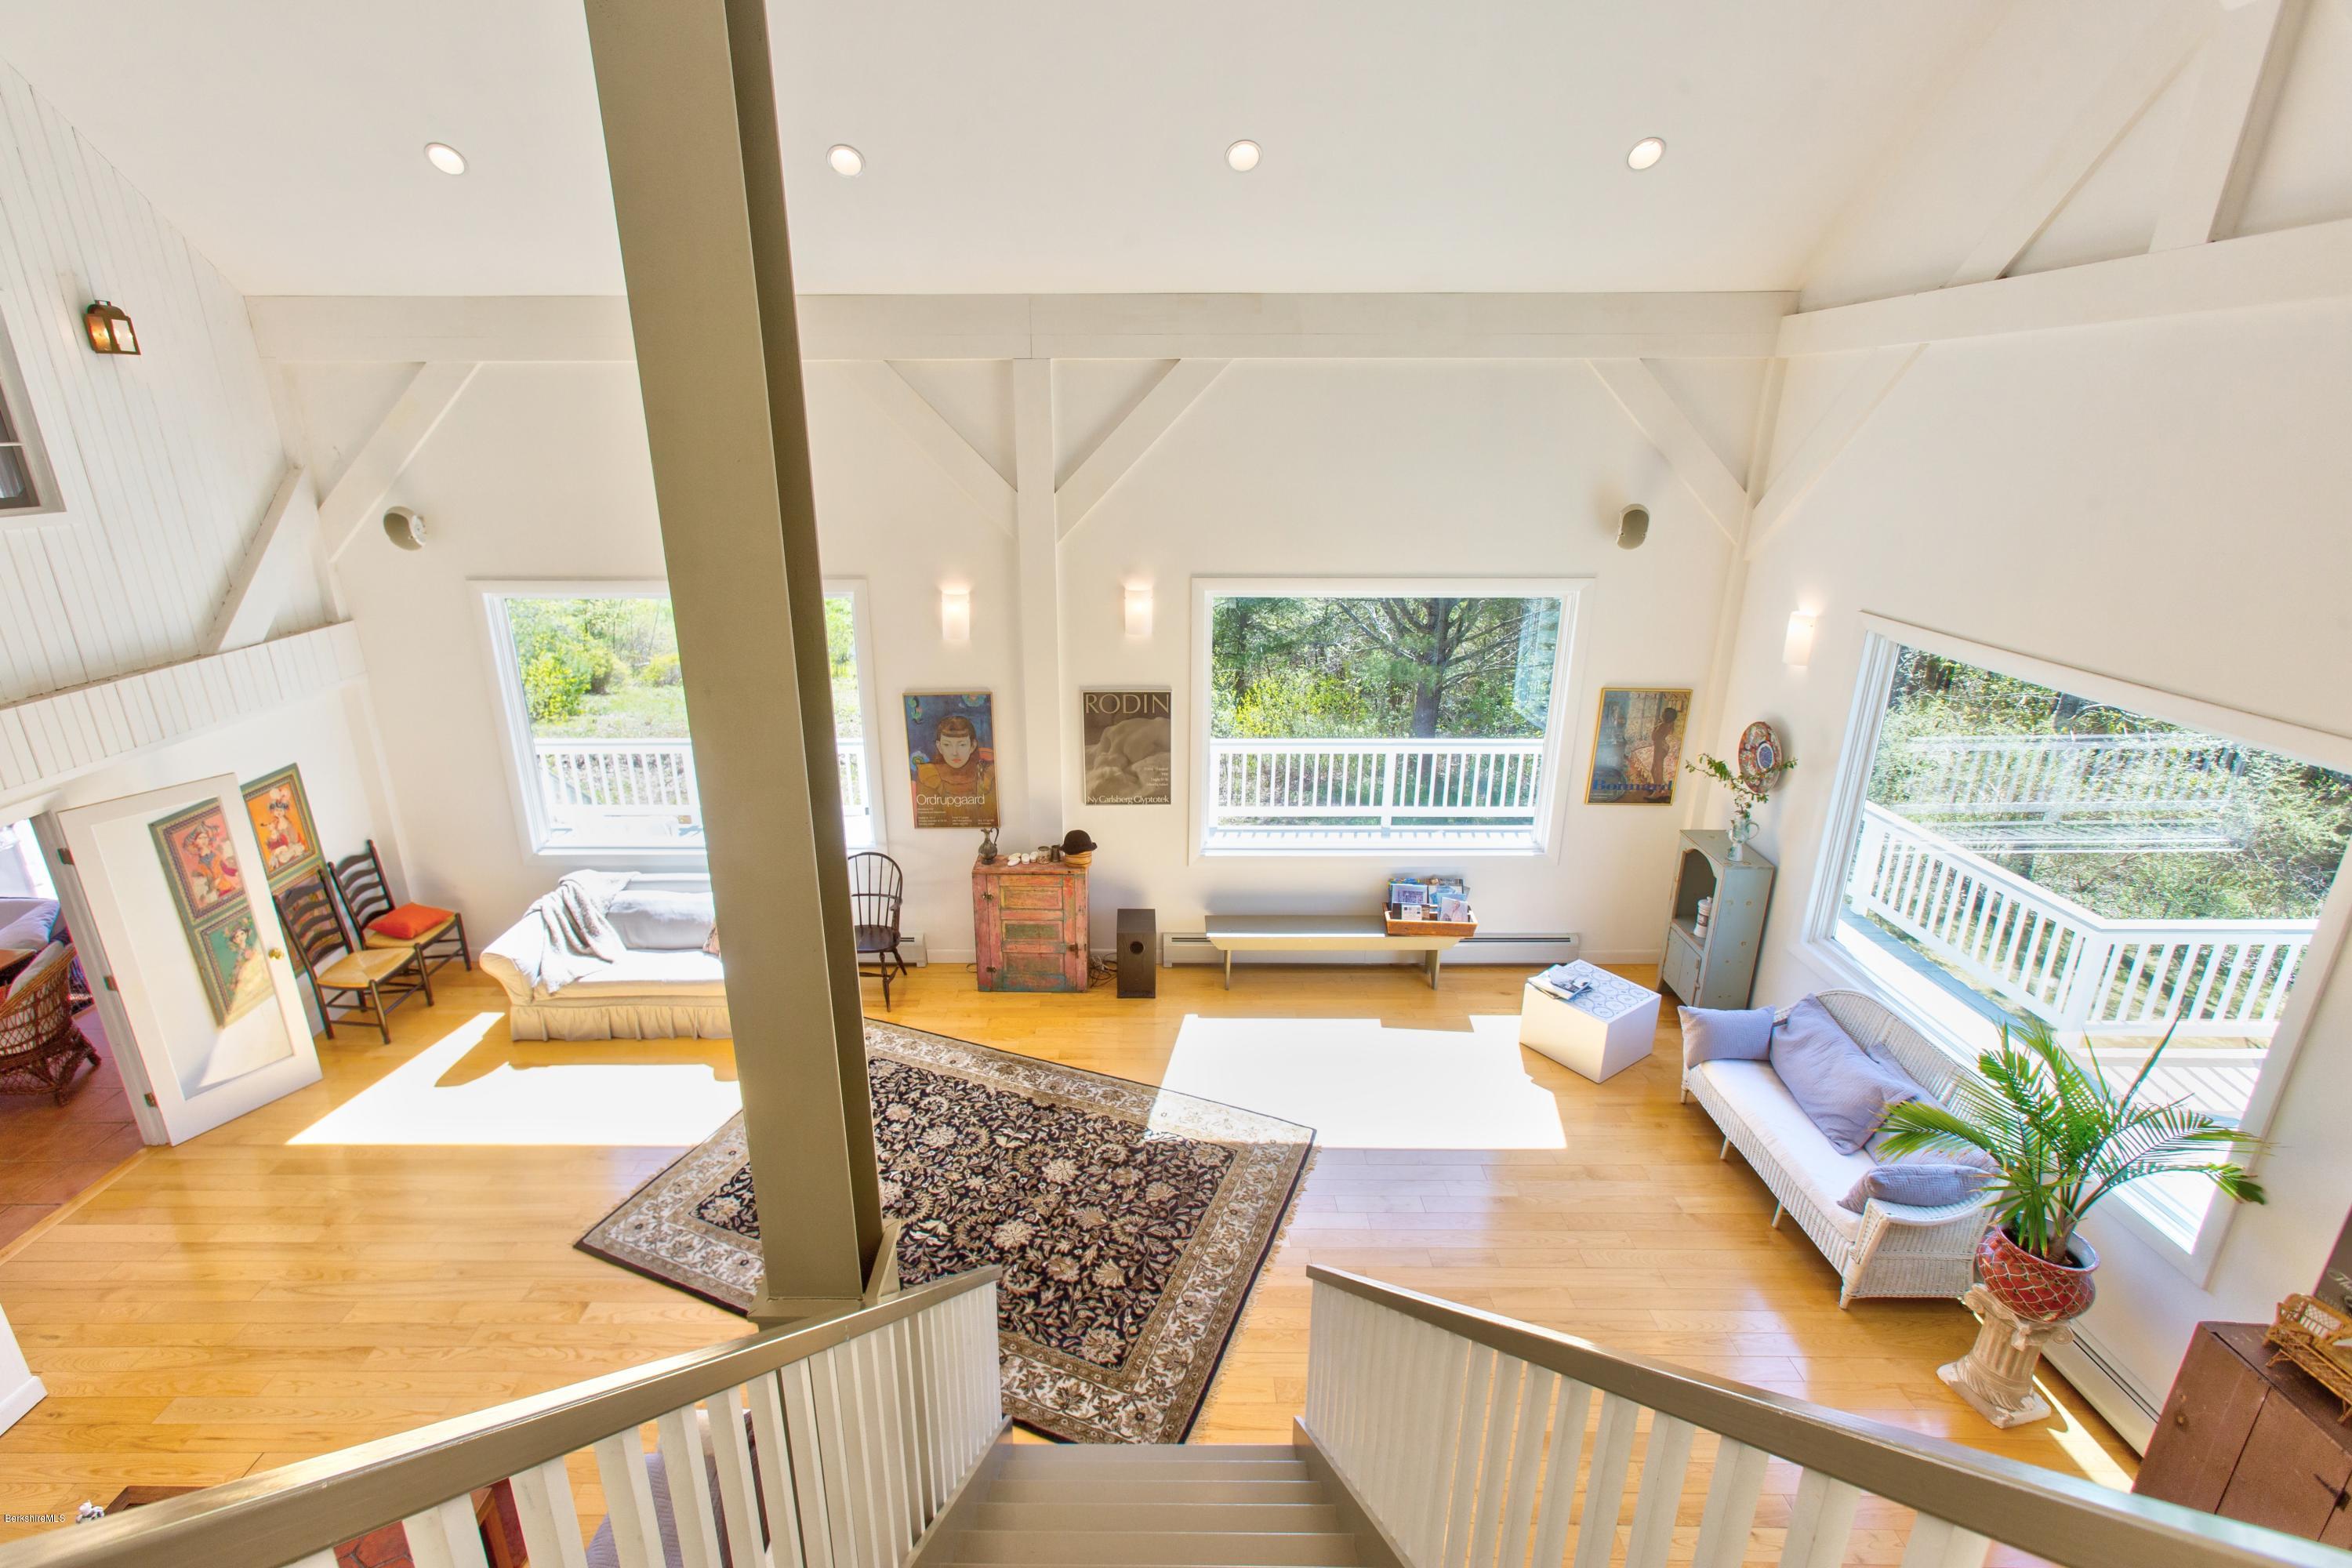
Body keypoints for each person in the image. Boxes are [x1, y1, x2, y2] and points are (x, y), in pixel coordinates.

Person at [913, 713, 995, 821]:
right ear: (939, 747)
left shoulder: (986, 776)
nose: (955, 753)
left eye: (962, 745)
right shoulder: (928, 776)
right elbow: (931, 821)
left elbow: (989, 820)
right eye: (947, 745)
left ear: (972, 746)